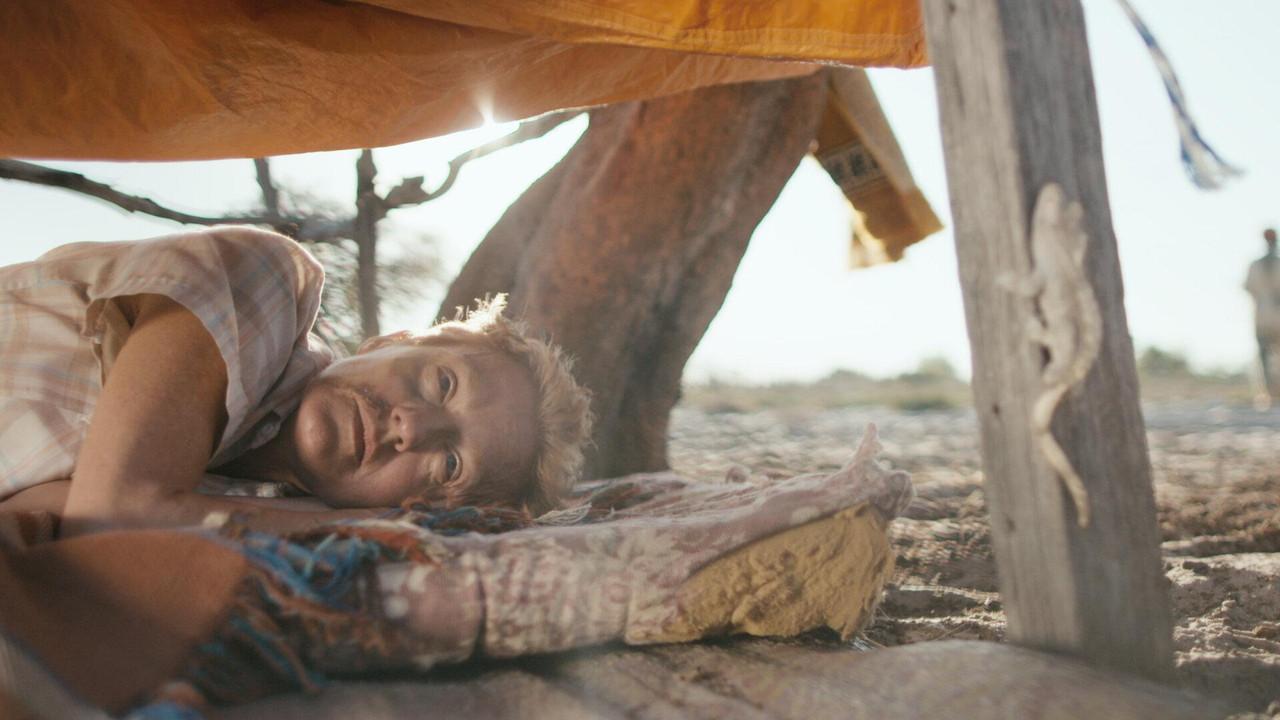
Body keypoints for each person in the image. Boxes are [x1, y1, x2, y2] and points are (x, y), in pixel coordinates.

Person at [0, 227, 592, 536]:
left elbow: (35, 513)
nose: (413, 425)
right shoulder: (263, 282)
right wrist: (382, 526)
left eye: (451, 465)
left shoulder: (252, 505)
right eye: (444, 382)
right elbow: (114, 518)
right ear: (389, 342)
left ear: (428, 508)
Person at [1245, 228, 1280, 408]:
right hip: (1268, 318)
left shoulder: (1255, 266)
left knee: (1266, 357)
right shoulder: (1258, 265)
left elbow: (1249, 288)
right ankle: (1270, 394)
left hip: (1263, 317)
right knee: (1267, 357)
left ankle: (1270, 394)